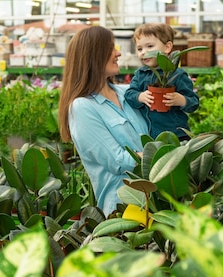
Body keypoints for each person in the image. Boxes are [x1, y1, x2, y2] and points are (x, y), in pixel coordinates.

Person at [58, 26, 149, 216]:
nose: (118, 53)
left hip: (157, 203)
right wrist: (166, 153)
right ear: (93, 55)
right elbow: (119, 161)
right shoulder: (82, 107)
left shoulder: (128, 94)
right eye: (111, 48)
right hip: (123, 211)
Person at [125, 23, 199, 141]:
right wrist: (140, 96)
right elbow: (129, 94)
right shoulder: (141, 74)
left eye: (150, 46)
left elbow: (194, 102)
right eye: (140, 48)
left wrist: (182, 100)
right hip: (150, 135)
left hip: (177, 134)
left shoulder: (177, 74)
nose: (144, 52)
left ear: (167, 47)